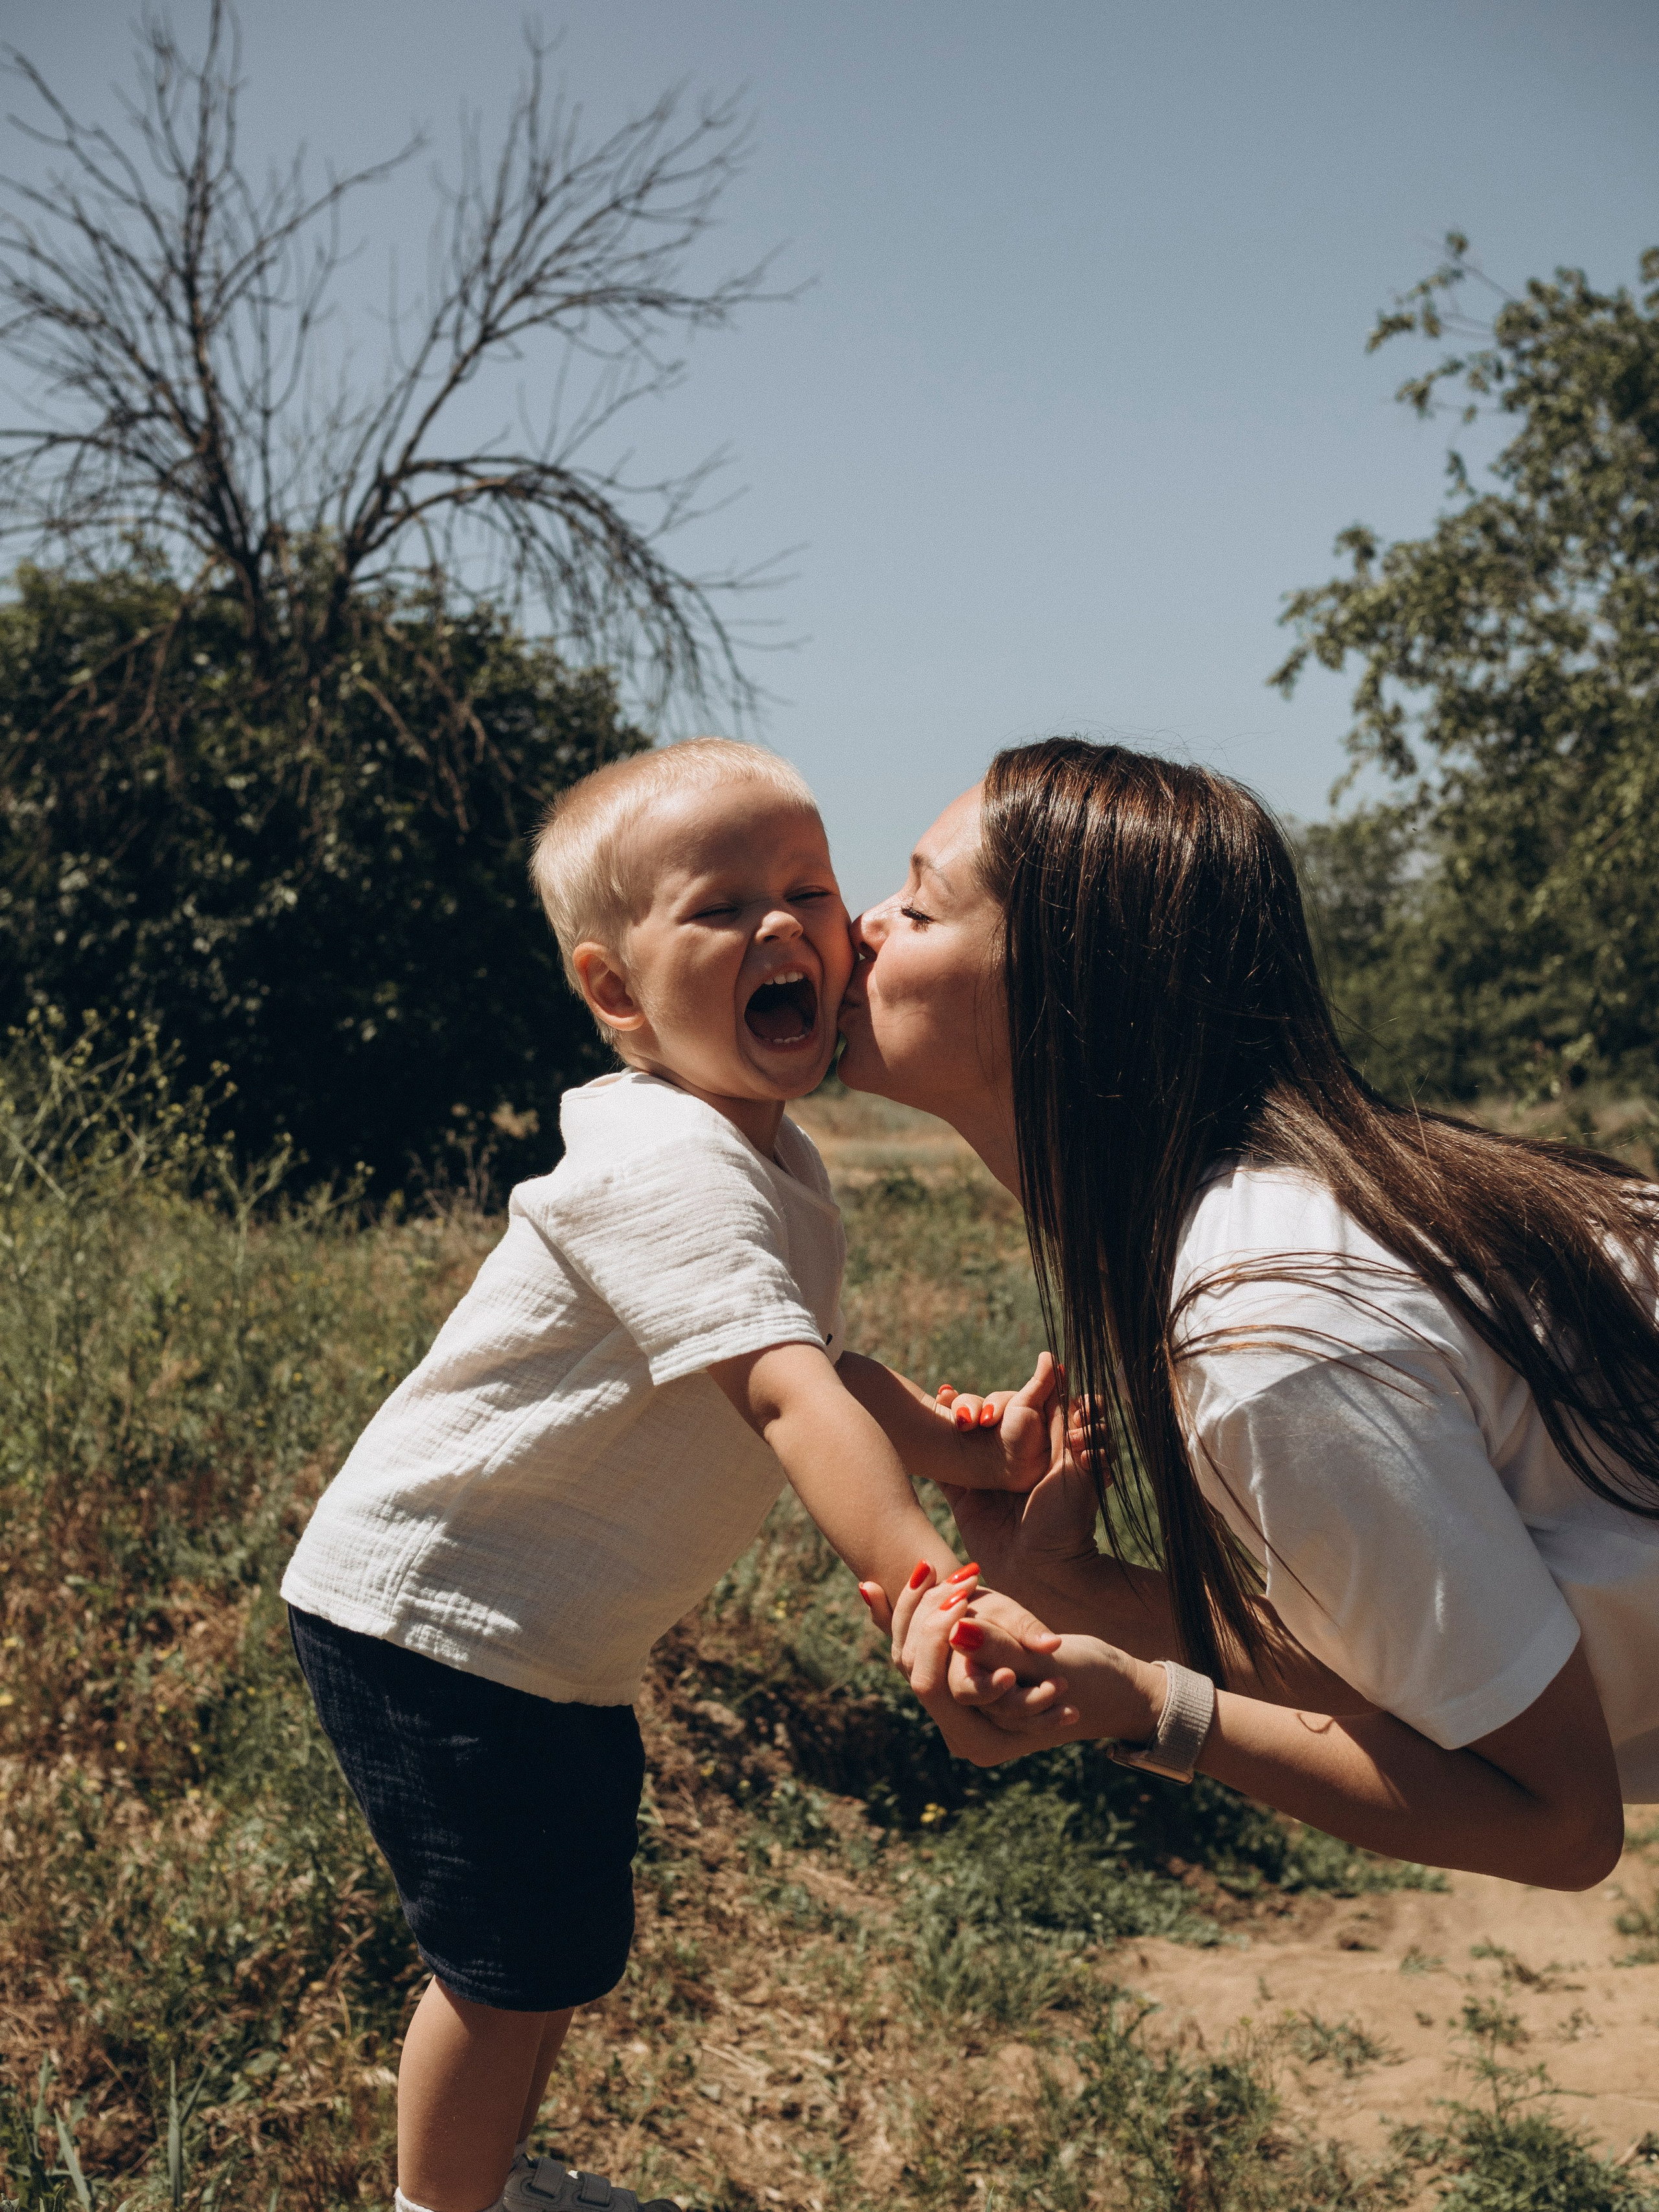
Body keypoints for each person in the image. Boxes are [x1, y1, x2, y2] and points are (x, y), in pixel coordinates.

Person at [280, 739, 1062, 2212]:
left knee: (555, 1945)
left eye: (808, 891)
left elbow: (810, 1360)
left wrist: (960, 1446)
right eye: (720, 908)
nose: (781, 930)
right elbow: (781, 1394)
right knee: (502, 1971)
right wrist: (925, 1579)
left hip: (550, 1648)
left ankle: (484, 2176)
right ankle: (438, 2206)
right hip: (435, 1626)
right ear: (616, 992)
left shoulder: (768, 1160)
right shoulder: (665, 1158)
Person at [843, 736, 1659, 1888]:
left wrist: (1156, 1710)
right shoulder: (1279, 1232)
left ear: (1066, 992)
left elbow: (1553, 1818)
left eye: (920, 909)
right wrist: (1087, 1597)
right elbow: (1436, 1673)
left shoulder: (1269, 1328)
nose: (860, 923)